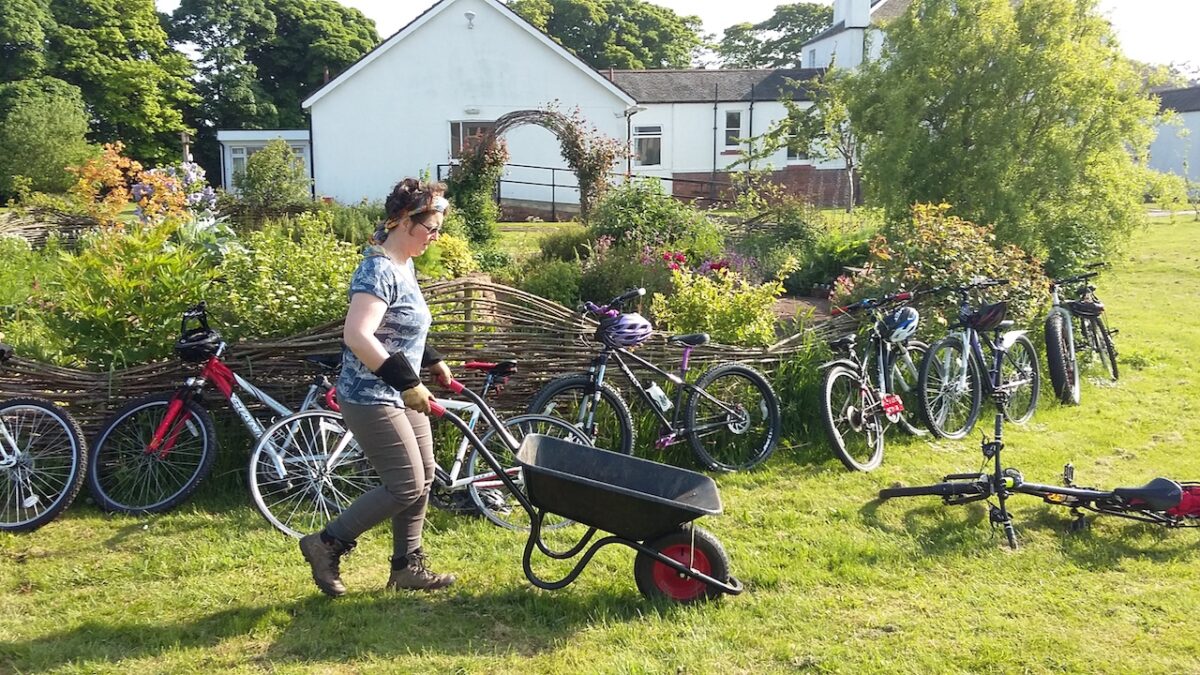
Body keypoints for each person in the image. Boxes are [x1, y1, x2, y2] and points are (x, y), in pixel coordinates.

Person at [299, 178, 455, 597]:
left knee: (423, 478)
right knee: (405, 484)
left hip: (400, 391)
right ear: (404, 220)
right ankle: (326, 544)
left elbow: (401, 325)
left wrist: (431, 360)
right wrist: (408, 382)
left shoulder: (404, 265)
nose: (435, 237)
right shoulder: (377, 269)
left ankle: (407, 567)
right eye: (431, 229)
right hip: (371, 395)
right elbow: (358, 335)